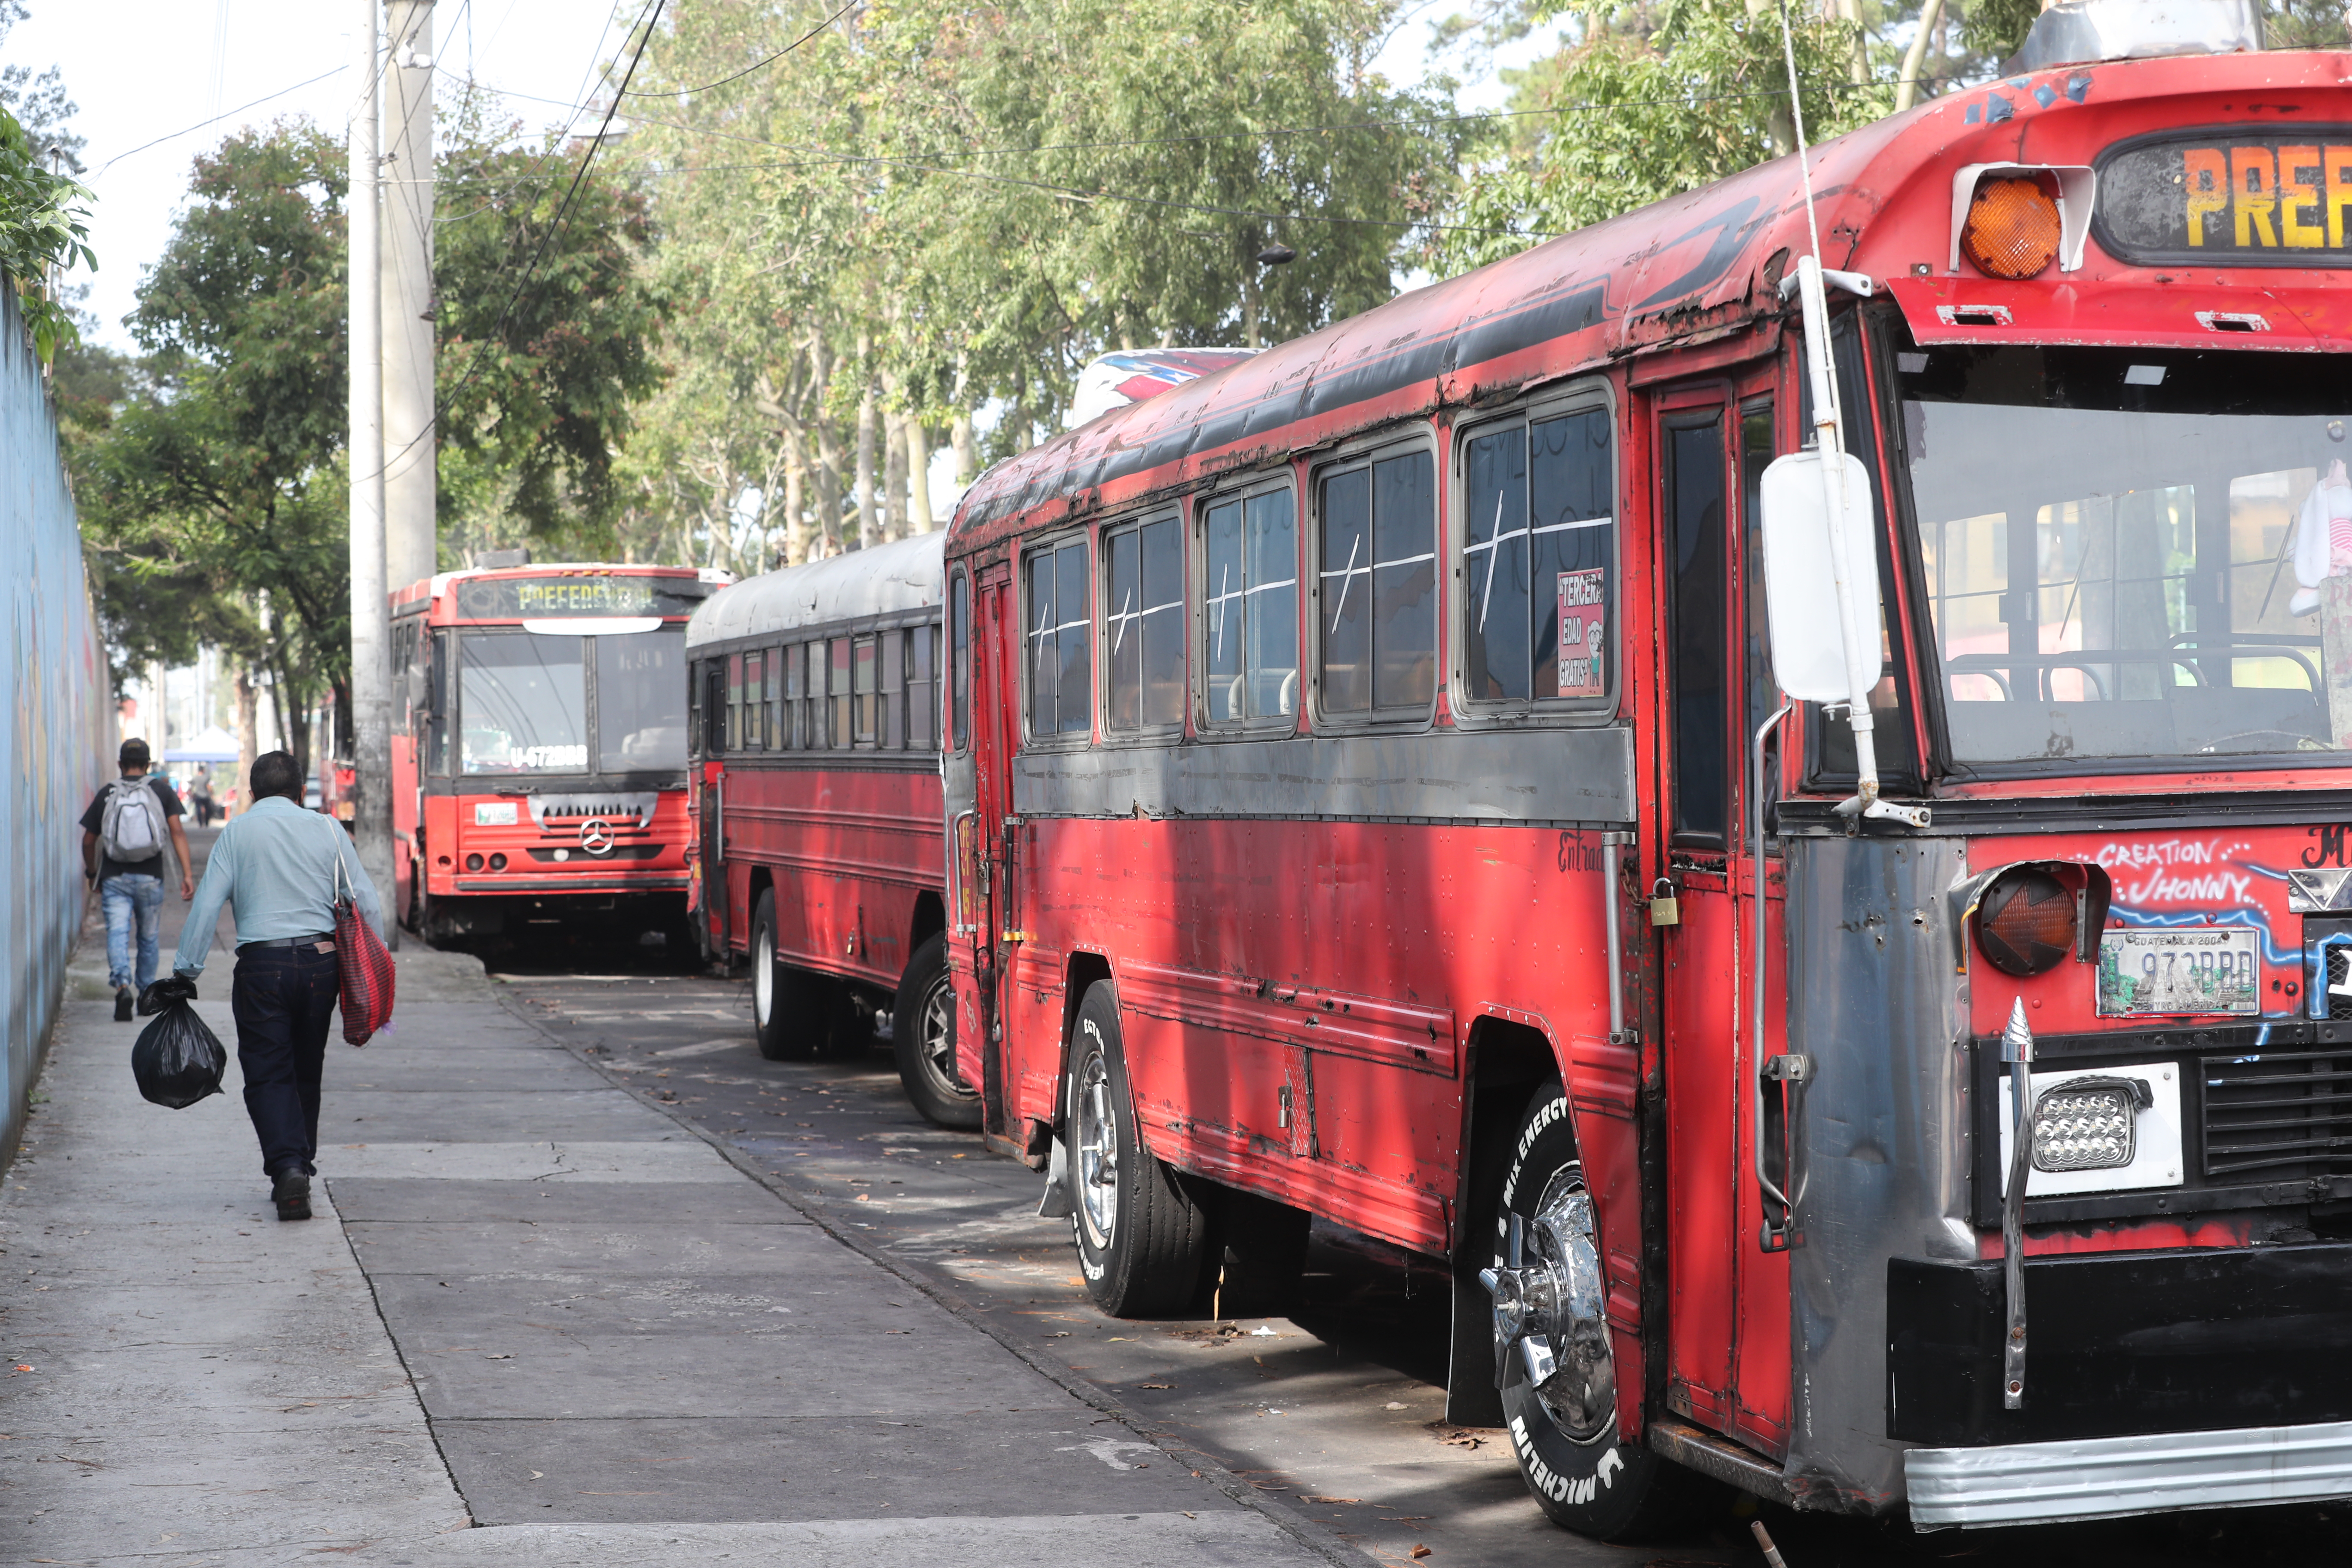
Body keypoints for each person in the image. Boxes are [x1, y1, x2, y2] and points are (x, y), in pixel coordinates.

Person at [172, 750, 382, 1222]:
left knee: (269, 1072)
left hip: (262, 968)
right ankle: (299, 1167)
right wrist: (376, 963)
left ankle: (288, 1167)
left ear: (252, 794)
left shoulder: (237, 832)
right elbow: (364, 899)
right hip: (321, 965)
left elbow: (207, 906)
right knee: (307, 1067)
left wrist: (186, 972)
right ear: (301, 792)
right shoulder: (329, 829)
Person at [80, 738, 195, 1022]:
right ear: (148, 764)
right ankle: (145, 994)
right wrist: (187, 874)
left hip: (114, 877)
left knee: (117, 934)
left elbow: (89, 840)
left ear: (120, 764)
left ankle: (122, 986)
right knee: (148, 937)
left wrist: (92, 873)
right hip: (151, 877)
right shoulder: (161, 790)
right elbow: (177, 832)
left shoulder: (108, 793)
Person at [188, 763, 215, 827]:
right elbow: (209, 787)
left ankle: (200, 823)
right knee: (208, 809)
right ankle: (206, 822)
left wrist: (192, 794)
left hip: (198, 796)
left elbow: (191, 787)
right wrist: (212, 794)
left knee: (198, 810)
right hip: (206, 796)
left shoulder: (195, 778)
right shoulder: (206, 778)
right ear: (203, 770)